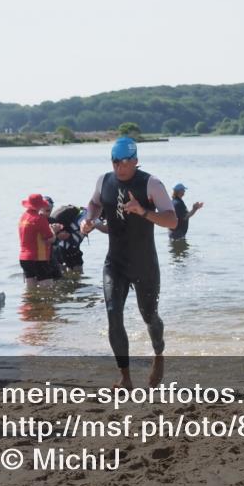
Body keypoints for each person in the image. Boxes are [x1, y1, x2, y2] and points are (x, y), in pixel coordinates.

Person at [81, 137, 178, 389]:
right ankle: (125, 377)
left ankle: (159, 354)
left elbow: (172, 221)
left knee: (150, 316)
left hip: (144, 263)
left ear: (135, 160)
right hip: (115, 262)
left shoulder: (151, 184)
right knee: (114, 315)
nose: (119, 167)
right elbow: (93, 203)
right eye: (115, 162)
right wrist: (89, 219)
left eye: (125, 162)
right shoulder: (104, 181)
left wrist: (143, 211)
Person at [18, 194, 60, 289]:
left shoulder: (23, 217)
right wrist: (53, 230)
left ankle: (30, 304)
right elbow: (50, 239)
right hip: (39, 258)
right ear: (40, 206)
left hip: (24, 259)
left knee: (31, 290)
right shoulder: (39, 219)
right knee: (47, 291)